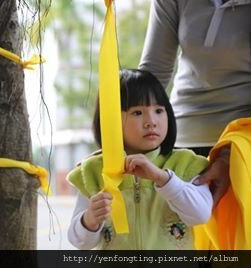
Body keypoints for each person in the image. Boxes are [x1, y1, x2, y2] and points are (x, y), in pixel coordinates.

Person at [67, 69, 213, 250]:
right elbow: (79, 242)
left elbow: (200, 214)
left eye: (159, 110)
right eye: (137, 112)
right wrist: (89, 220)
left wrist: (162, 179)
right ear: (110, 120)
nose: (151, 121)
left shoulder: (186, 164)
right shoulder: (94, 171)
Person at [139, 0, 251, 205]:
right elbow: (153, 74)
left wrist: (228, 156)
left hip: (243, 146)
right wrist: (120, 142)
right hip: (181, 143)